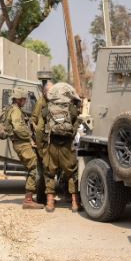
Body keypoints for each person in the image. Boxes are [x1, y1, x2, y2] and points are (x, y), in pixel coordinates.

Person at [38, 82, 81, 213]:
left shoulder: (47, 108)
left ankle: (50, 203)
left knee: (49, 173)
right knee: (72, 172)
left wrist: (41, 146)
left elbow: (40, 128)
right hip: (67, 146)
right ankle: (75, 203)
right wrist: (72, 134)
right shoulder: (71, 108)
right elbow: (76, 123)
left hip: (51, 144)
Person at [8, 87, 43, 209]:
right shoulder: (16, 111)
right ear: (19, 99)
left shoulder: (16, 109)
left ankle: (30, 197)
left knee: (32, 166)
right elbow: (18, 128)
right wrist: (29, 138)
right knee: (33, 166)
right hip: (21, 143)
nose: (25, 101)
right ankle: (28, 200)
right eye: (24, 99)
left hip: (21, 143)